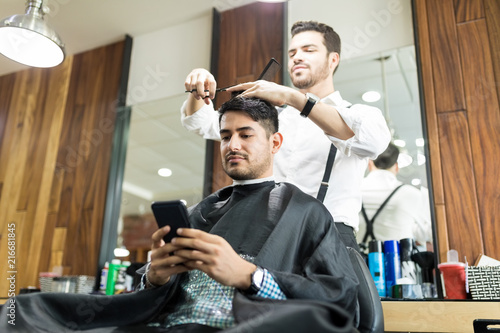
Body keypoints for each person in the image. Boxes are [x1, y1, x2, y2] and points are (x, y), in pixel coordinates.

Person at [0, 97, 358, 333]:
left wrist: (250, 275)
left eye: (246, 135)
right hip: (166, 320)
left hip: (238, 323)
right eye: (226, 136)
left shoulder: (305, 211)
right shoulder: (203, 209)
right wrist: (155, 276)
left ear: (274, 143)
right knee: (24, 310)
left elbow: (340, 295)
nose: (232, 145)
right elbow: (154, 290)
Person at [182, 20, 391, 251]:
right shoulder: (272, 118)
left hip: (330, 239)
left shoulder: (357, 115)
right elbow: (200, 122)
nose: (297, 57)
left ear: (333, 60)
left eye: (308, 50)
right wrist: (198, 87)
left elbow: (373, 142)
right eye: (292, 52)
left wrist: (293, 97)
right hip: (269, 236)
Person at [356, 143, 432, 250]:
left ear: (370, 164)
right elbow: (428, 233)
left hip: (357, 262)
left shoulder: (353, 190)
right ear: (396, 167)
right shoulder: (412, 193)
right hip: (397, 263)